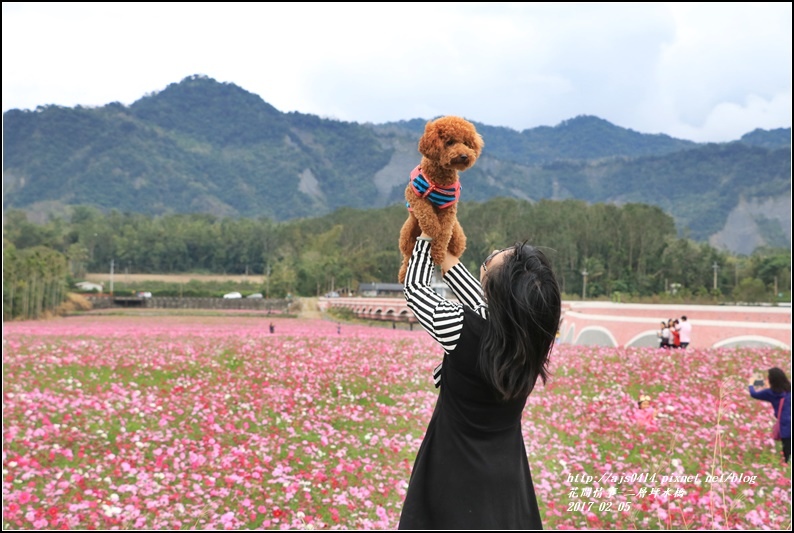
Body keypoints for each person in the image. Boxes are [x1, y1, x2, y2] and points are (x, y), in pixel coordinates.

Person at [398, 232, 561, 529]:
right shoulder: (531, 337)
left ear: (495, 291)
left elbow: (416, 288)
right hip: (505, 473)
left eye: (489, 260)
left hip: (454, 468)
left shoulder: (460, 328)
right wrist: (441, 241)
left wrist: (423, 238)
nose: (492, 253)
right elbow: (480, 299)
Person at [748, 367, 791, 463]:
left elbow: (754, 394)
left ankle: (787, 462)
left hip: (785, 424)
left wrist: (751, 383)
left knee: (787, 447)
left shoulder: (771, 393)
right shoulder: (789, 389)